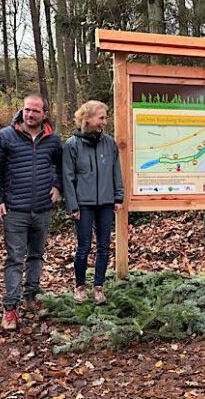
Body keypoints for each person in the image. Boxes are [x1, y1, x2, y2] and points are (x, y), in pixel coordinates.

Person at [0, 94, 62, 330]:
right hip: (14, 210)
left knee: (36, 255)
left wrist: (57, 185)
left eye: (35, 111)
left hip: (42, 209)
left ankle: (33, 296)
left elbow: (60, 166)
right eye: (27, 110)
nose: (30, 114)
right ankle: (10, 308)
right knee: (14, 259)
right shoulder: (4, 136)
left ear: (44, 114)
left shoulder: (52, 139)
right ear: (22, 110)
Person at [62, 101, 124, 305]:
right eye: (101, 118)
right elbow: (68, 178)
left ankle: (99, 287)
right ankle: (80, 287)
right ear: (87, 119)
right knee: (84, 246)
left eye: (105, 118)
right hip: (83, 204)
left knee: (104, 246)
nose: (104, 122)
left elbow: (116, 171)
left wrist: (118, 197)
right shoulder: (72, 144)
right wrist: (73, 205)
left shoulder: (109, 143)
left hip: (106, 202)